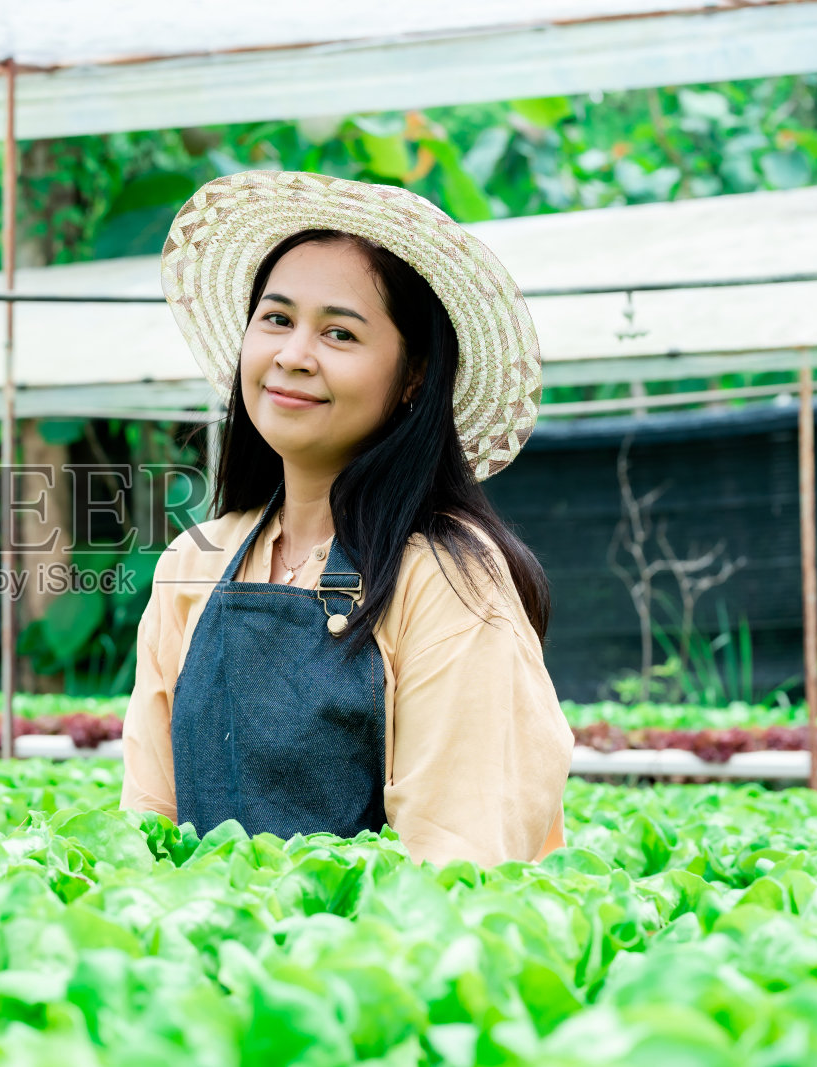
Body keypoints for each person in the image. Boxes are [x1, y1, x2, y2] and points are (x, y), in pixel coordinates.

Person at [120, 170, 574, 867]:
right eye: (276, 319)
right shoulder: (195, 563)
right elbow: (147, 828)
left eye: (339, 332)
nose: (293, 356)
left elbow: (458, 867)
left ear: (414, 376)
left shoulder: (449, 581)